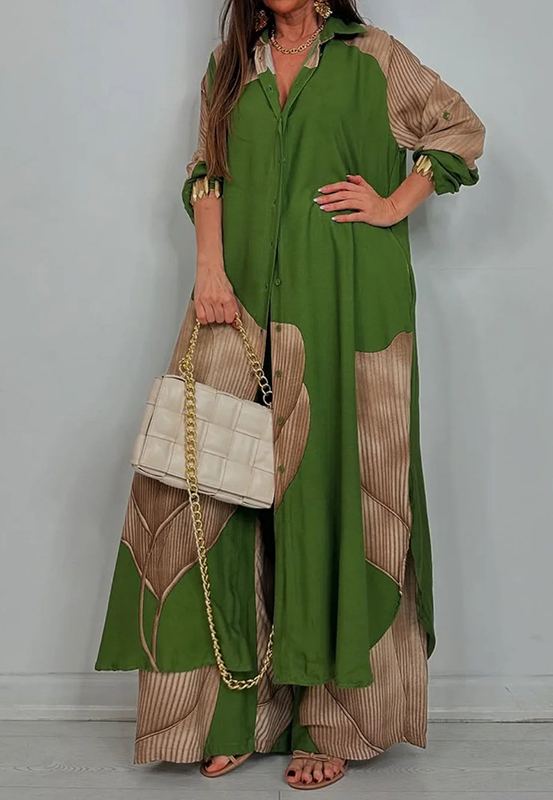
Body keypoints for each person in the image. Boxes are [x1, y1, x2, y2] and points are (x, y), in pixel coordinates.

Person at [95, 0, 485, 790]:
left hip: (348, 306)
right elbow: (206, 173)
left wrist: (391, 203)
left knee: (337, 497)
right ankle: (230, 716)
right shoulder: (231, 65)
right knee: (211, 497)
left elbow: (459, 132)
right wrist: (209, 269)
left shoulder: (373, 56)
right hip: (234, 303)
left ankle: (330, 722)